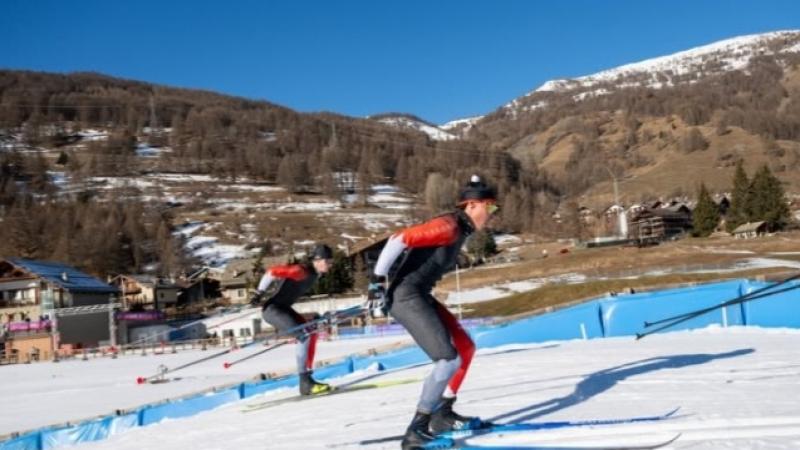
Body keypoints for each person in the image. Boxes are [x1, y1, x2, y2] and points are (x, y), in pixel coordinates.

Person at [371, 175, 498, 449]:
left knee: (465, 348)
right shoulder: (448, 226)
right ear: (472, 205)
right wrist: (376, 281)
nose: (492, 213)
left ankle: (442, 414)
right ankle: (416, 430)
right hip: (406, 297)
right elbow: (398, 239)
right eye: (490, 207)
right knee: (448, 360)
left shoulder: (460, 229)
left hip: (420, 294)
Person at [250, 243, 334, 396]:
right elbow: (271, 272)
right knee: (304, 335)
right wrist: (259, 293)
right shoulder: (301, 271)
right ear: (317, 260)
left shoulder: (315, 274)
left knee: (311, 332)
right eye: (328, 261)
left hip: (283, 308)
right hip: (273, 310)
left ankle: (307, 378)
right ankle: (305, 382)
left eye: (331, 261)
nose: (330, 264)